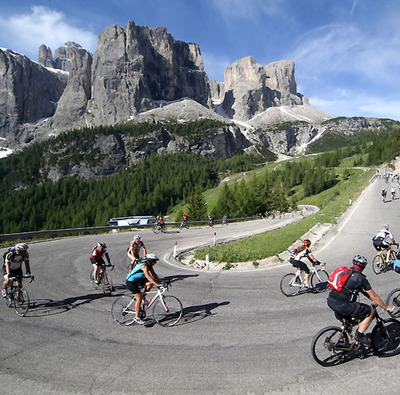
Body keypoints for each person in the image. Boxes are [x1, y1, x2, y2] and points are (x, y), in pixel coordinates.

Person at [327, 255, 392, 345]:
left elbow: (359, 290)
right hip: (343, 305)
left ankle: (341, 341)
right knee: (370, 311)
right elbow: (374, 296)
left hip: (331, 301)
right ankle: (359, 335)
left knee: (346, 320)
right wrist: (385, 307)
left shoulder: (347, 272)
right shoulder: (360, 278)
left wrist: (368, 296)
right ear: (364, 266)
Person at [125, 253, 162, 325]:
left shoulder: (149, 266)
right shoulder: (144, 266)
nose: (155, 263)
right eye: (154, 261)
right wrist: (158, 285)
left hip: (138, 280)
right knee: (139, 298)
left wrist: (161, 282)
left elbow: (154, 274)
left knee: (150, 284)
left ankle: (142, 297)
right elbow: (149, 277)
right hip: (131, 282)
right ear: (150, 261)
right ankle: (136, 317)